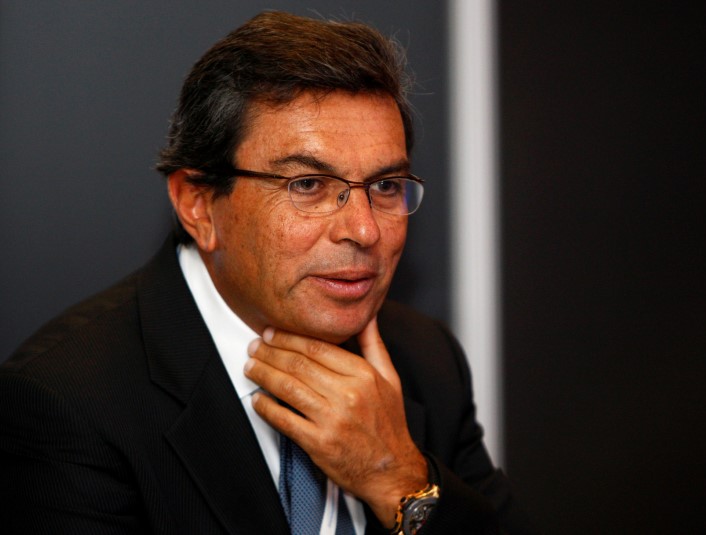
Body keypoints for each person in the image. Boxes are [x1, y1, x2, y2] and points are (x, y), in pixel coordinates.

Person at [0, 11, 530, 535]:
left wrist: (398, 480)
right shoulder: (69, 401)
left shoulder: (426, 359)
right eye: (308, 185)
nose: (364, 231)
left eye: (386, 186)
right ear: (200, 205)